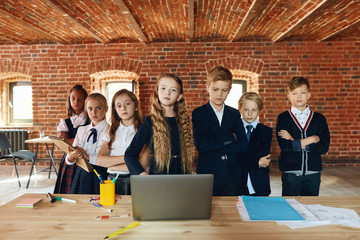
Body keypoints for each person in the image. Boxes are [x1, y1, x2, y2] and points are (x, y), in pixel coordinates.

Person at [192, 66, 248, 196]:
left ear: (229, 90)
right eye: (215, 89)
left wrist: (214, 145)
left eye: (224, 90)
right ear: (207, 87)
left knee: (233, 211)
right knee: (208, 211)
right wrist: (230, 138)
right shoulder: (199, 113)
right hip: (209, 172)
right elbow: (201, 144)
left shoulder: (234, 114)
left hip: (232, 173)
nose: (219, 94)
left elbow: (243, 145)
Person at [125, 73, 194, 175]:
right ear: (157, 92)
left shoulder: (184, 121)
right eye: (163, 88)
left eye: (173, 90)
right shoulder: (149, 122)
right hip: (159, 178)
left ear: (179, 96)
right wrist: (142, 175)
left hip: (182, 177)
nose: (167, 93)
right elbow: (129, 155)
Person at [276, 76, 330, 196]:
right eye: (294, 93)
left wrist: (294, 141)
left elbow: (323, 147)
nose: (299, 97)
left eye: (303, 92)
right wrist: (311, 139)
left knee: (311, 209)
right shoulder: (283, 118)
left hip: (313, 173)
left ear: (309, 95)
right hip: (290, 172)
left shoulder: (319, 119)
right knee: (290, 208)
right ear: (288, 95)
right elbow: (285, 146)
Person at [97, 89, 148, 195]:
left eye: (127, 104)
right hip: (112, 180)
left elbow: (142, 165)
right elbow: (100, 160)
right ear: (115, 110)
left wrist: (112, 165)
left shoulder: (143, 129)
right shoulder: (110, 130)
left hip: (135, 179)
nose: (123, 108)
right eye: (119, 106)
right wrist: (130, 159)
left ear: (135, 106)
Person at [66, 93, 109, 194]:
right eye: (90, 108)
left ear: (106, 108)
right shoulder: (81, 130)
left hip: (101, 174)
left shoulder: (110, 130)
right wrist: (72, 156)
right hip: (82, 173)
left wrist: (87, 155)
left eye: (98, 108)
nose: (93, 112)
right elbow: (69, 159)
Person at [54, 84, 90, 194]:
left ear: (85, 100)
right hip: (70, 159)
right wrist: (82, 139)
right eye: (73, 98)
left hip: (87, 158)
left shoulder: (91, 119)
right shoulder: (65, 122)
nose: (76, 101)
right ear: (69, 100)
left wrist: (72, 140)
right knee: (69, 189)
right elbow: (62, 143)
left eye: (80, 99)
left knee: (84, 188)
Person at [238, 92, 272, 196]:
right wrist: (257, 163)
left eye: (254, 110)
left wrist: (244, 159)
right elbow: (235, 160)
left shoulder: (266, 131)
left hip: (260, 183)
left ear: (259, 111)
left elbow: (263, 158)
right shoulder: (234, 130)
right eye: (246, 109)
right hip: (238, 183)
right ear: (240, 109)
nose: (249, 114)